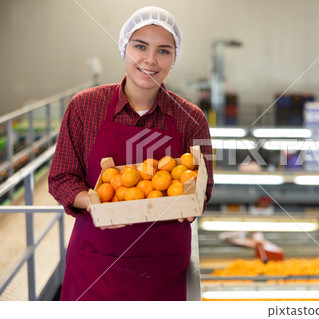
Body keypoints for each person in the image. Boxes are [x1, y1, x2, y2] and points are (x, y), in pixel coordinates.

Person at [48, 6, 213, 301]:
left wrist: (190, 205)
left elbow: (205, 186)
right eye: (140, 47)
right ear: (124, 48)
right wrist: (97, 203)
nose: (150, 60)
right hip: (96, 263)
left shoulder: (192, 118)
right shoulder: (85, 107)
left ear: (174, 59)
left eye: (164, 51)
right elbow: (61, 177)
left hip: (161, 266)